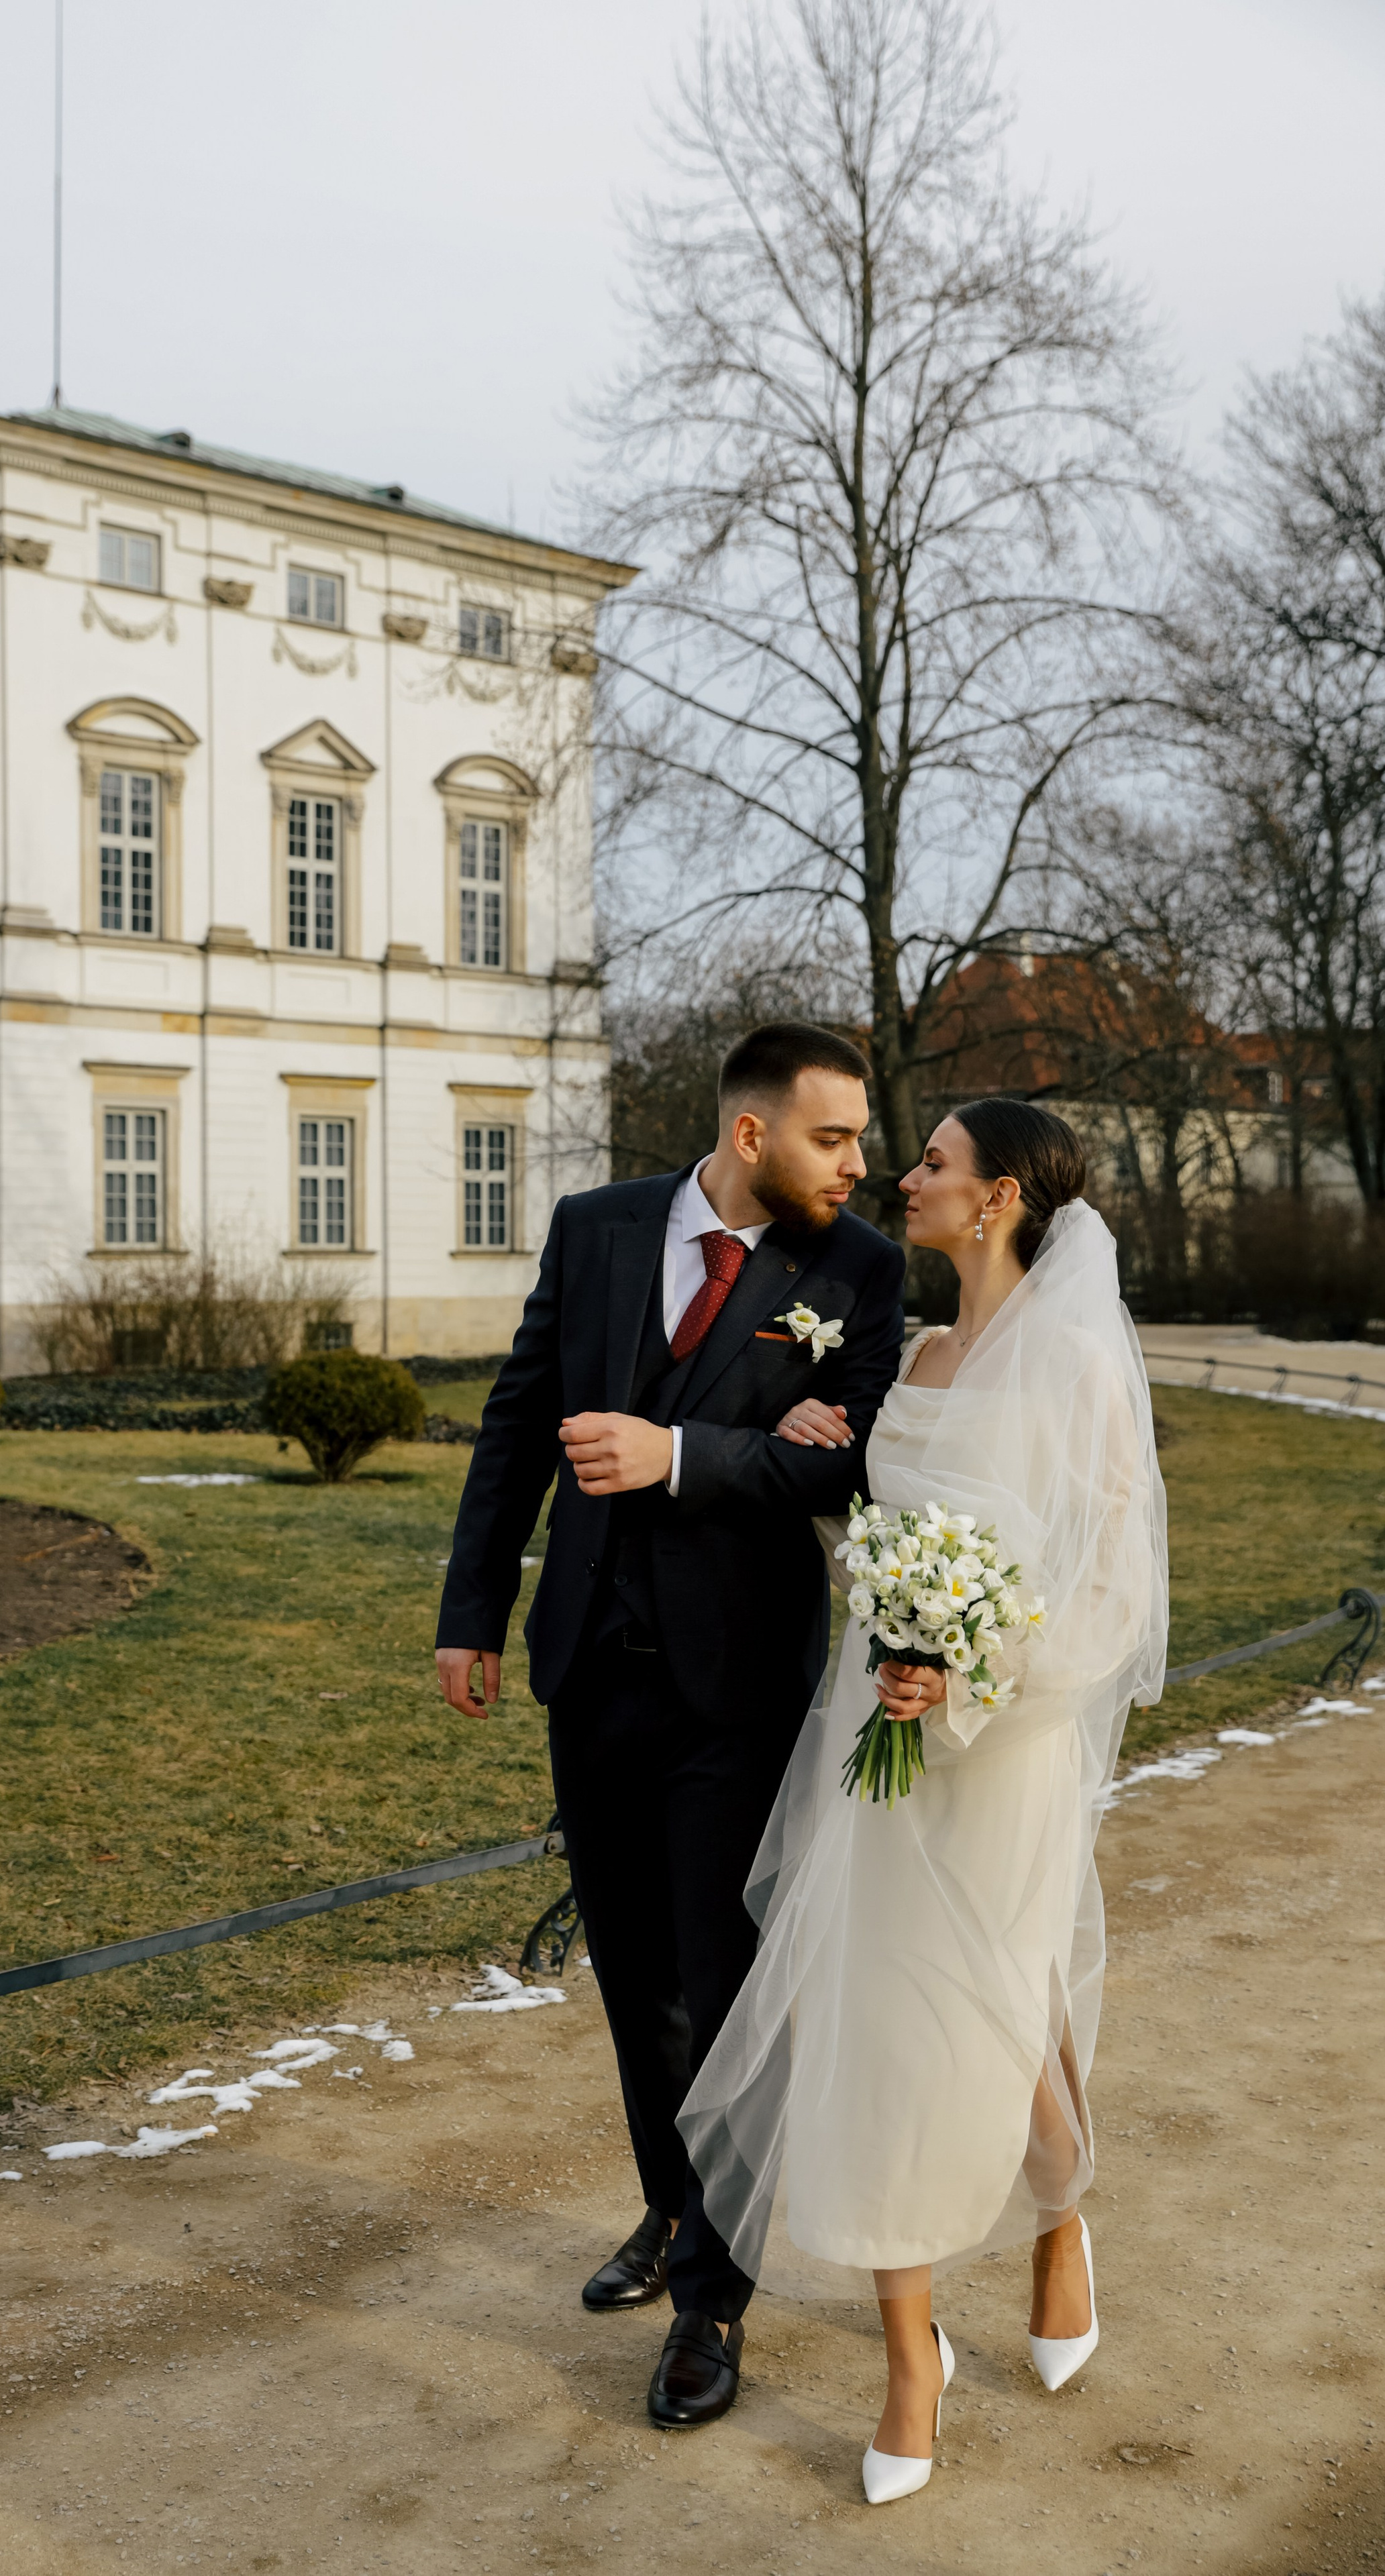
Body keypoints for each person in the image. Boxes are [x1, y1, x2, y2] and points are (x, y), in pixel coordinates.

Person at [678, 1099, 1169, 2503]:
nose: (908, 1176)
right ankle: (910, 2356)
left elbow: (1109, 1595)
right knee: (878, 2033)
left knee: (1002, 2018)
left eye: (935, 1164)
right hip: (879, 1744)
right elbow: (903, 1532)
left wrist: (970, 1677)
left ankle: (1057, 2219)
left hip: (1004, 1753)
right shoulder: (923, 1353)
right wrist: (841, 1474)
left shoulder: (1075, 1364)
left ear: (997, 1196)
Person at [435, 1022, 906, 2428]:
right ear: (751, 1133)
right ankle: (665, 2202)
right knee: (633, 1973)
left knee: (720, 1980)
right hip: (590, 1662)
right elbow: (518, 1426)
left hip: (739, 1687)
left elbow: (863, 1460)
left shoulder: (857, 1269)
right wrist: (469, 1609)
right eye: (834, 1138)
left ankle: (712, 2294)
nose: (856, 1163)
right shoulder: (593, 1230)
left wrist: (686, 1456)